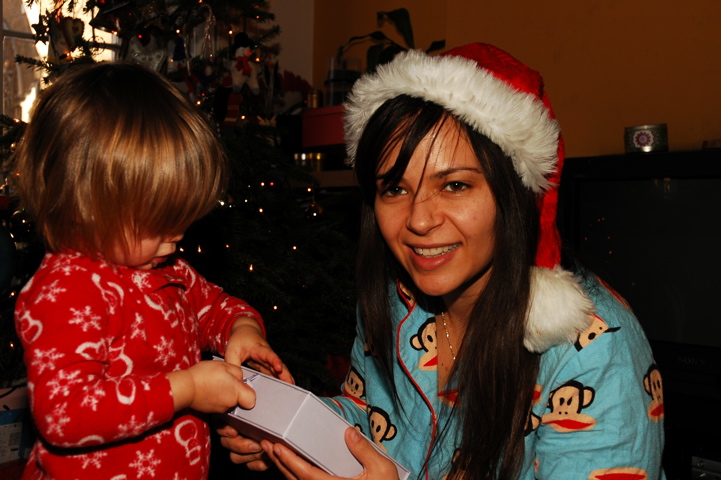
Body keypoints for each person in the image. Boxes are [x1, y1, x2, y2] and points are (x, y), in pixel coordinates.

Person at [218, 43, 666, 480]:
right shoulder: (395, 297)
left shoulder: (594, 348)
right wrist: (292, 431)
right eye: (395, 188)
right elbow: (370, 419)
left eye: (454, 186)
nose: (418, 220)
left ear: (513, 194)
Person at [10, 61, 292, 480]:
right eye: (158, 220)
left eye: (181, 216)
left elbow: (215, 307)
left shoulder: (166, 267)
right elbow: (65, 413)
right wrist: (187, 389)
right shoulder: (66, 291)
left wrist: (243, 331)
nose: (177, 234)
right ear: (86, 205)